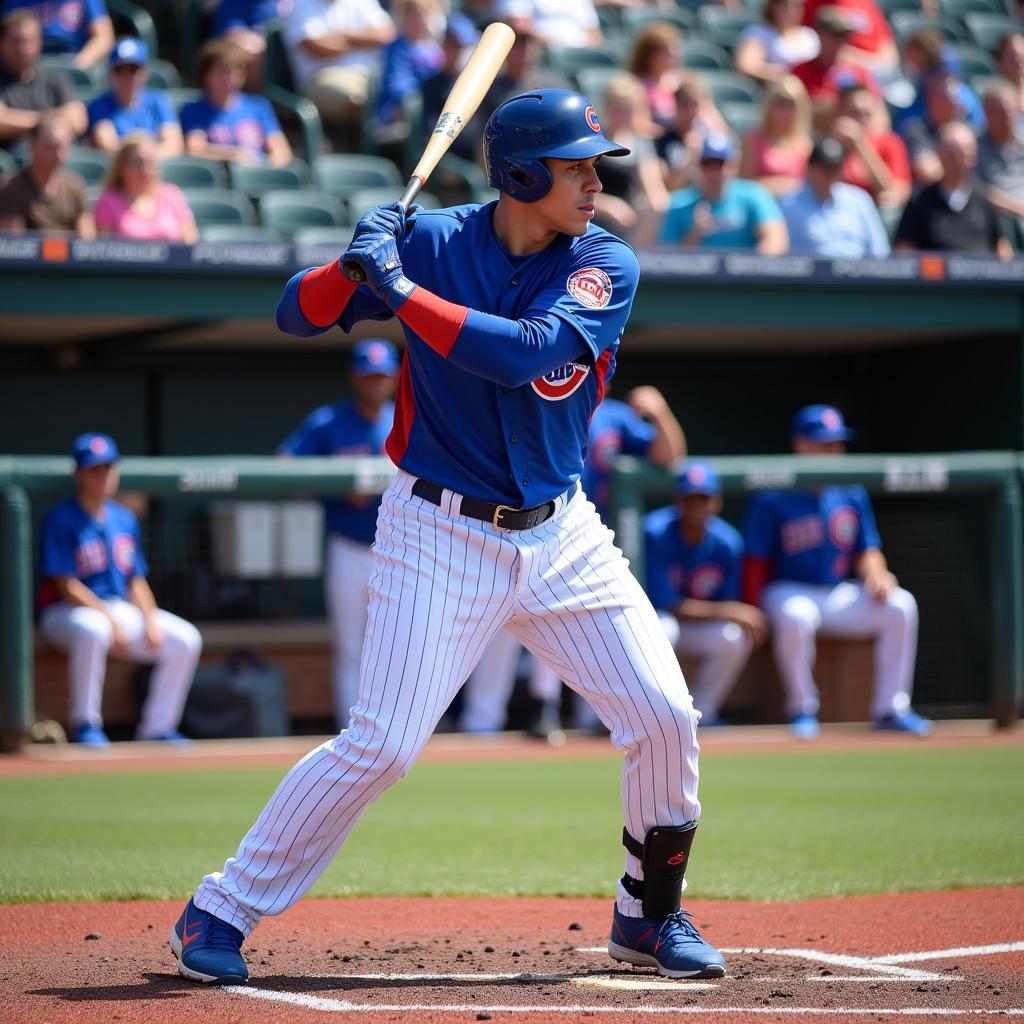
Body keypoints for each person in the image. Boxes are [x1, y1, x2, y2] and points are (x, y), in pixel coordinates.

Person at [170, 88, 725, 987]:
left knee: (663, 717)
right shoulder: (429, 242)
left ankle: (646, 917)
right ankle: (220, 910)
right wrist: (353, 269)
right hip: (436, 528)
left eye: (595, 164)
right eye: (576, 165)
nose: (594, 181)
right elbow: (292, 313)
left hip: (562, 533)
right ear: (520, 174)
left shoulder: (604, 261)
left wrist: (398, 288)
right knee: (383, 743)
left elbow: (521, 354)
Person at [462, 380, 688, 737]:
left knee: (566, 624)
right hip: (515, 528)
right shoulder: (530, 399)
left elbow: (669, 458)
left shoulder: (615, 417)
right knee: (497, 630)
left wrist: (659, 413)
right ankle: (481, 724)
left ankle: (549, 711)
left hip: (580, 536)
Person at [742, 405, 930, 740]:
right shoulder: (774, 494)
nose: (833, 451)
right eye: (823, 443)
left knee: (901, 605)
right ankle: (802, 708)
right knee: (797, 615)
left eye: (836, 443)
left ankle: (891, 709)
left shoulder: (850, 490)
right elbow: (755, 561)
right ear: (800, 445)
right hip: (789, 588)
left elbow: (866, 550)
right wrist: (753, 609)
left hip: (837, 592)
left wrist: (878, 572)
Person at [37, 433, 202, 747]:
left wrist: (150, 620)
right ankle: (86, 724)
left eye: (108, 469)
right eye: (94, 469)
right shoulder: (61, 518)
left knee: (185, 639)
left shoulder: (124, 518)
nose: (103, 476)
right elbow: (66, 584)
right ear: (79, 474)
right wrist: (110, 620)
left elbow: (135, 579)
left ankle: (157, 728)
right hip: (65, 613)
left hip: (117, 609)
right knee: (94, 629)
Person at [277, 339, 399, 730]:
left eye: (382, 375)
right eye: (368, 375)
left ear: (394, 378)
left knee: (398, 645)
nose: (375, 382)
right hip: (348, 545)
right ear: (354, 377)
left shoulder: (407, 417)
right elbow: (285, 467)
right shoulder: (329, 422)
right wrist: (335, 485)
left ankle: (394, 729)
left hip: (400, 549)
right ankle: (352, 732)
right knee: (351, 648)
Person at [645, 461, 767, 727]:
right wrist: (731, 611)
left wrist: (729, 612)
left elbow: (724, 603)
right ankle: (657, 716)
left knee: (733, 637)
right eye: (690, 498)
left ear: (716, 502)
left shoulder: (728, 542)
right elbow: (668, 604)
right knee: (666, 628)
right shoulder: (655, 532)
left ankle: (703, 712)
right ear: (678, 500)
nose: (696, 506)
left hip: (696, 626)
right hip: (657, 625)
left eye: (703, 498)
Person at [894, 121, 1013, 259]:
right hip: (935, 278)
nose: (958, 161)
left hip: (980, 277)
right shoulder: (919, 201)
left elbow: (1001, 247)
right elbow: (904, 251)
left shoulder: (983, 199)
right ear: (939, 154)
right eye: (951, 154)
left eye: (964, 154)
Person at [656, 132, 789, 253]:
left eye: (721, 163)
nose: (715, 171)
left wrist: (743, 269)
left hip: (745, 278)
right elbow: (667, 257)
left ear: (734, 165)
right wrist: (695, 234)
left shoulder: (754, 195)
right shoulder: (679, 204)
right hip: (694, 278)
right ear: (699, 166)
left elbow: (776, 241)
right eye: (708, 163)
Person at [283, 0, 395, 127]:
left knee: (401, 89)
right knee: (361, 100)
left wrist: (344, 36)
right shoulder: (301, 5)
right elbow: (317, 48)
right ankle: (370, 141)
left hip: (371, 73)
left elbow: (385, 34)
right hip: (322, 77)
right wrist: (365, 42)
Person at [180, 40, 293, 167]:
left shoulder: (259, 106)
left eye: (236, 71)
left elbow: (281, 150)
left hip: (256, 177)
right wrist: (232, 155)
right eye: (222, 71)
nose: (229, 78)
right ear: (206, 74)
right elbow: (195, 149)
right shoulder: (193, 109)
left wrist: (264, 169)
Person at [779, 136, 889, 256]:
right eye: (826, 169)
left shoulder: (859, 200)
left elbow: (879, 251)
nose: (832, 175)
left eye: (837, 169)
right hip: (809, 273)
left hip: (857, 272)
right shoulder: (788, 205)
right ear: (810, 169)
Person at [591, 73, 669, 241]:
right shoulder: (591, 142)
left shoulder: (640, 144)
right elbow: (574, 192)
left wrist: (652, 212)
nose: (622, 116)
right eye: (617, 109)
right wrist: (609, 206)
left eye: (628, 110)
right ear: (606, 107)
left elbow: (655, 192)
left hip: (628, 226)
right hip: (591, 221)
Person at [87, 37, 183, 159]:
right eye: (120, 70)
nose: (126, 77)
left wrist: (141, 158)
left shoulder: (158, 101)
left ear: (144, 73)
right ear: (110, 74)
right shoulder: (99, 105)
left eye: (133, 69)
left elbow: (174, 145)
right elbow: (108, 146)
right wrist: (147, 153)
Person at [0, 9, 86, 145]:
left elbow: (78, 120)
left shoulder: (55, 79)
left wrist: (20, 121)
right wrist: (46, 118)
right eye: (16, 41)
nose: (23, 48)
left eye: (29, 40)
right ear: (2, 43)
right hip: (13, 159)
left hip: (55, 157)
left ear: (39, 43)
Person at [94, 133, 198, 242]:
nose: (145, 169)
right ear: (121, 167)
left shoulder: (172, 195)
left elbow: (190, 241)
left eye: (150, 163)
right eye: (137, 163)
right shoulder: (108, 201)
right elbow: (104, 249)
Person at [0, 113, 93, 234]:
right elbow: (15, 245)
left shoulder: (75, 185)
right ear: (32, 145)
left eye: (63, 147)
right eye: (51, 147)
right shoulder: (12, 188)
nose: (58, 154)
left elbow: (87, 242)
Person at [791, 6, 879, 130]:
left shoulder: (858, 72)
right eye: (836, 35)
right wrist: (839, 106)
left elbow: (877, 112)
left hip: (856, 141)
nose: (842, 42)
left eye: (846, 36)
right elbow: (796, 114)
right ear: (820, 34)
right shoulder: (800, 72)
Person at [832, 81, 910, 208]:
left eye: (867, 113)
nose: (863, 119)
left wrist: (860, 146)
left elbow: (892, 191)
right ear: (840, 111)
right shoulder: (830, 145)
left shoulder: (890, 142)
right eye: (856, 112)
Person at [739, 74, 813, 197]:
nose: (785, 110)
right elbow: (745, 186)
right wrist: (783, 186)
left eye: (791, 104)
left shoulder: (805, 145)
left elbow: (810, 187)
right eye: (780, 103)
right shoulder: (752, 140)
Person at [375, 0, 443, 135]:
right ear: (403, 18)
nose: (420, 20)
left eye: (424, 14)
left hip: (432, 112)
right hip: (401, 114)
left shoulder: (436, 49)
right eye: (414, 15)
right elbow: (400, 88)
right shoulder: (396, 48)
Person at [656, 73, 728, 192]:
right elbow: (668, 188)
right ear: (676, 105)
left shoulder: (714, 141)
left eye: (695, 104)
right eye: (685, 104)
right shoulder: (663, 141)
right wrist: (690, 157)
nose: (690, 110)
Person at [2, 0, 114, 69]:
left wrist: (83, 60)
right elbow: (7, 37)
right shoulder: (16, 1)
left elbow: (104, 37)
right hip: (30, 63)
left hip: (73, 61)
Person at [734, 0, 820, 86]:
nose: (790, 10)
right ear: (772, 7)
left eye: (796, 5)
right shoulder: (758, 32)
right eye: (784, 5)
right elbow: (747, 67)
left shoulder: (809, 35)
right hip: (774, 92)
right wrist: (788, 74)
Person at [211, 0, 290, 91]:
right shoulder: (232, 3)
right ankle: (254, 100)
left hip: (290, 62)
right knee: (253, 54)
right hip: (261, 62)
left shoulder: (285, 3)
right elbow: (234, 37)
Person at [976, 81, 1024, 224]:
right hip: (998, 217)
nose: (1006, 117)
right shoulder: (974, 147)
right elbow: (977, 191)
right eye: (999, 112)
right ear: (985, 113)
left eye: (1009, 111)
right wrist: (1018, 209)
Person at [627, 21, 684, 137]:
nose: (672, 55)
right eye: (665, 51)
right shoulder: (636, 85)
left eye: (674, 49)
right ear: (649, 55)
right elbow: (637, 123)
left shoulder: (682, 82)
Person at [995, 31, 1024, 118]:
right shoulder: (994, 96)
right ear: (999, 60)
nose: (1018, 60)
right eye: (1013, 55)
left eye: (1022, 54)